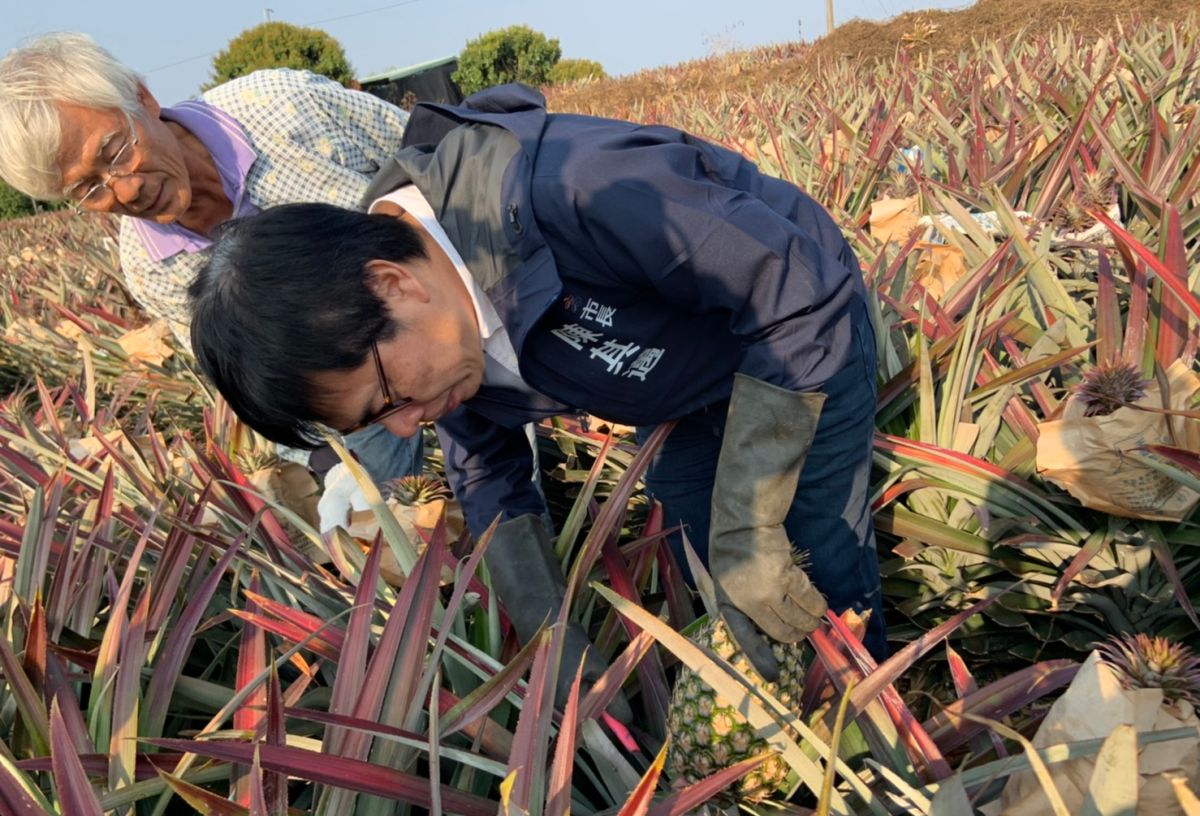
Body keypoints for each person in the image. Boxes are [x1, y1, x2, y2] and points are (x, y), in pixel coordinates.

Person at [188, 84, 887, 710]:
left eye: (390, 396)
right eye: (379, 420)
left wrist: (750, 523)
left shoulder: (577, 190)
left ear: (391, 284)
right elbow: (487, 473)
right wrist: (549, 635)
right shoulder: (436, 337)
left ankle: (873, 734)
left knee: (815, 555)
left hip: (796, 341)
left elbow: (792, 288)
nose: (405, 429)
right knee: (704, 559)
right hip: (679, 388)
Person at [0, 32, 421, 483]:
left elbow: (443, 163)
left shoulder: (284, 107)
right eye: (88, 189)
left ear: (142, 98)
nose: (126, 189)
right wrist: (328, 465)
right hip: (354, 392)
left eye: (116, 151)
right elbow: (251, 380)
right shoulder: (152, 268)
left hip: (457, 301)